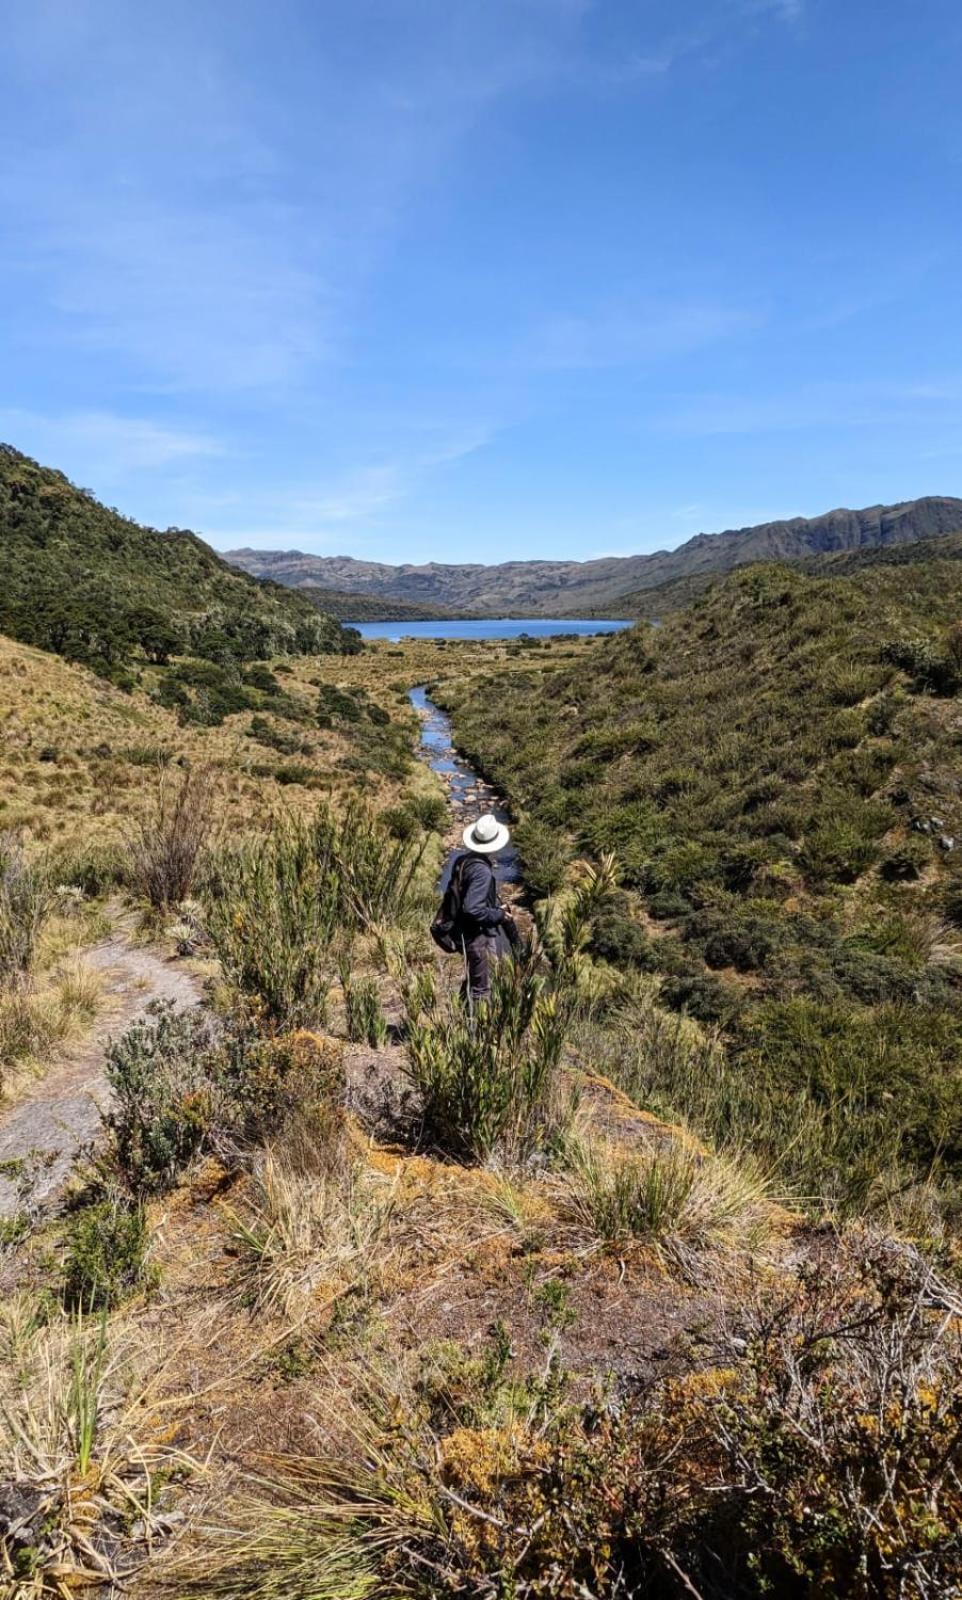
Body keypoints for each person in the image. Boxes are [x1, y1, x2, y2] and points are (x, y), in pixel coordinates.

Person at [453, 813, 517, 1006]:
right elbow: (473, 908)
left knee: (474, 977)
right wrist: (499, 914)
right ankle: (477, 1033)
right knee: (482, 988)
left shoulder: (464, 861)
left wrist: (495, 909)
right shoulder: (482, 871)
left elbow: (469, 899)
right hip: (477, 936)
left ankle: (462, 1015)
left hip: (463, 931)